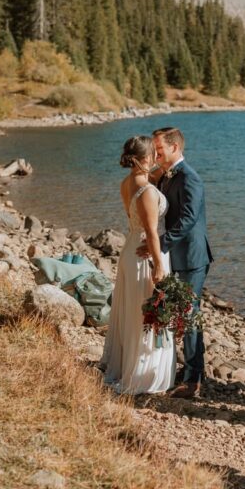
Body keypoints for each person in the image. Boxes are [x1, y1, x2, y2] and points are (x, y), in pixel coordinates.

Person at [138, 127, 213, 399]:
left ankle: (194, 380)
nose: (155, 154)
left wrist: (159, 244)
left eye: (159, 149)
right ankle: (182, 368)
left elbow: (189, 218)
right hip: (173, 255)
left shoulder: (190, 178)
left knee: (189, 313)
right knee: (177, 311)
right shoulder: (167, 175)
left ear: (175, 148)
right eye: (154, 150)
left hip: (192, 257)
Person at [100, 136, 175, 394]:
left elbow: (135, 220)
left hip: (131, 248)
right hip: (146, 254)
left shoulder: (127, 183)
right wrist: (159, 266)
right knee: (145, 312)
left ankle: (128, 365)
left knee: (133, 312)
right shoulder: (148, 191)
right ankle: (141, 374)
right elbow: (152, 232)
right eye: (154, 153)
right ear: (146, 158)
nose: (157, 156)